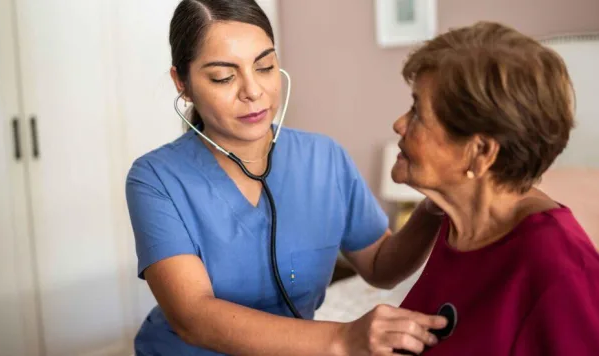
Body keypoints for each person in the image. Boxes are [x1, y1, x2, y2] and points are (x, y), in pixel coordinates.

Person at [125, 0, 447, 355]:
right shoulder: (155, 178)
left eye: (264, 66)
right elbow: (192, 316)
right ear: (181, 83)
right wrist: (344, 338)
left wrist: (434, 206)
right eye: (224, 76)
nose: (253, 91)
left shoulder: (324, 158)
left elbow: (379, 266)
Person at [391, 22, 599, 355]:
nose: (400, 124)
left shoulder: (563, 272)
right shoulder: (459, 224)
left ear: (480, 153)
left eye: (417, 112)